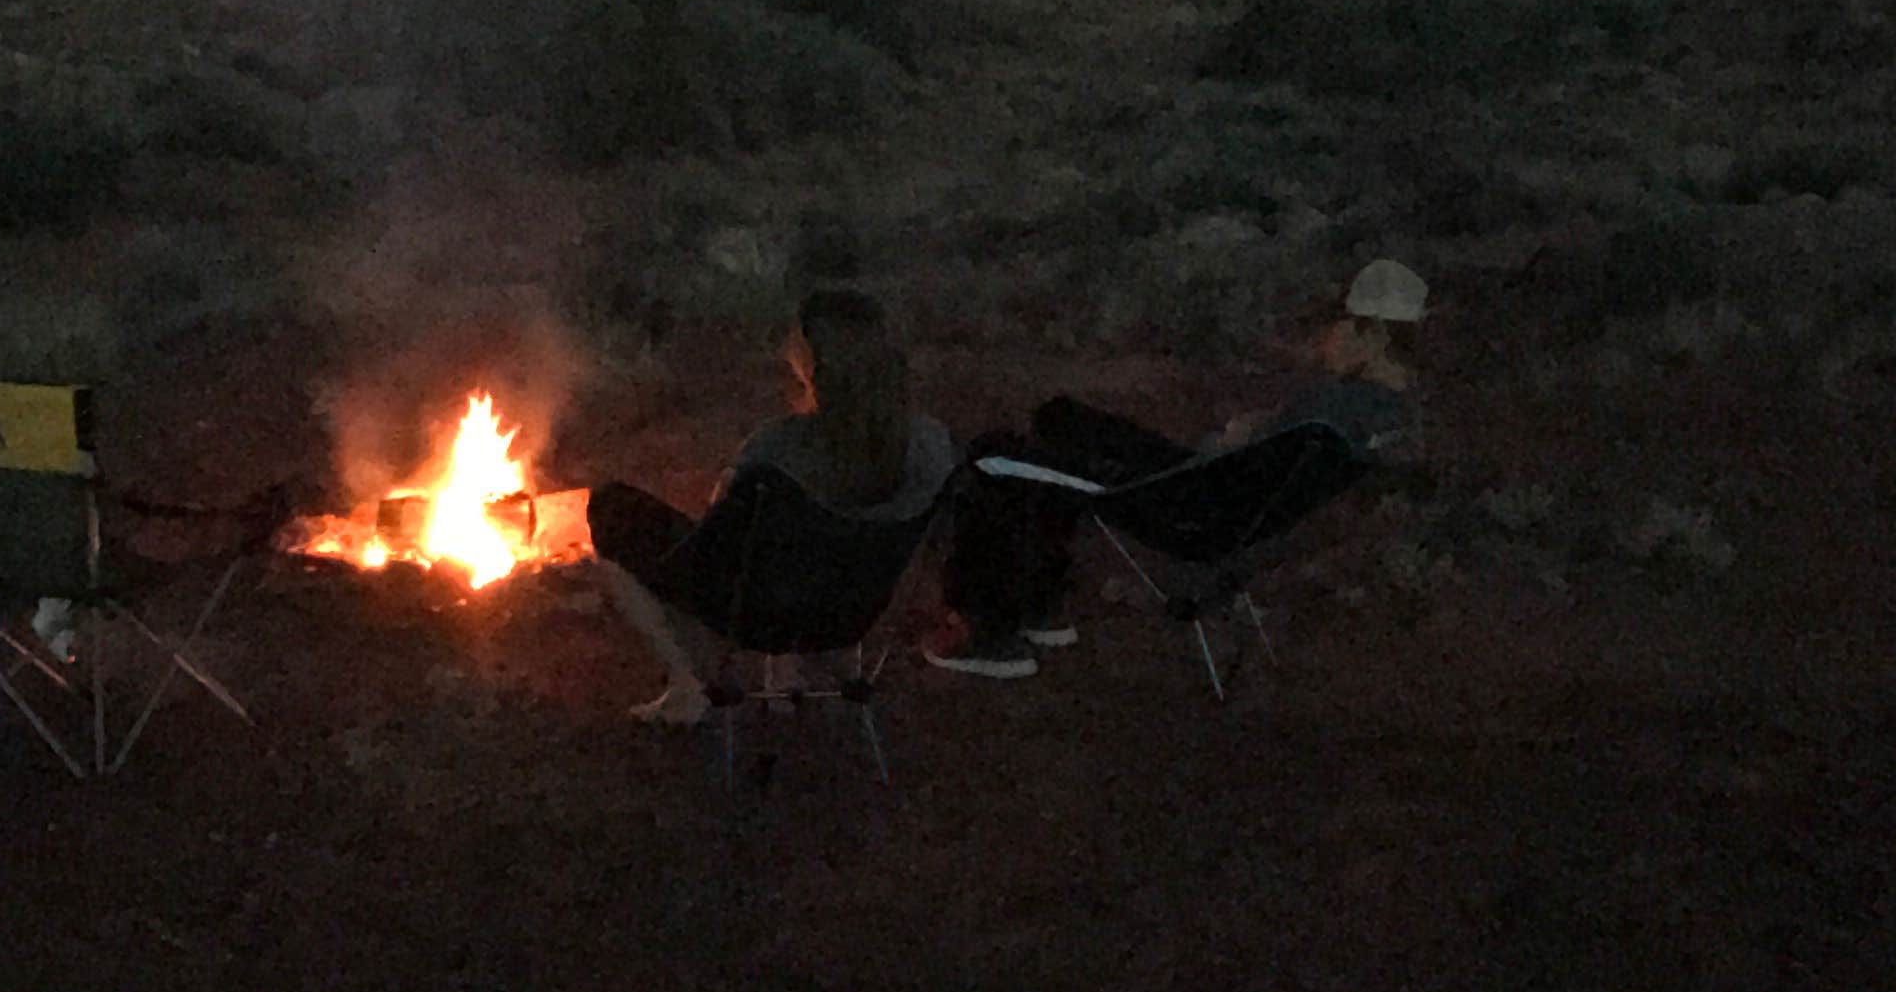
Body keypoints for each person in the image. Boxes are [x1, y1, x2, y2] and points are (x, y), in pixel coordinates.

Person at [929, 259, 1429, 674]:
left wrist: (1241, 436)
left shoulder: (1333, 403)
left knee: (995, 454)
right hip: (1211, 492)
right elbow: (1268, 462)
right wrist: (1247, 439)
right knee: (1059, 419)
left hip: (1185, 506)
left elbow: (1254, 453)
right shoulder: (1383, 414)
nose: (1324, 340)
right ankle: (1033, 600)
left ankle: (989, 629)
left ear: (1374, 336)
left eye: (1335, 326)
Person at [586, 283, 958, 725]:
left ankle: (688, 685)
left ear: (811, 365)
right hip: (850, 613)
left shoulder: (775, 449)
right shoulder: (932, 444)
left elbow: (721, 536)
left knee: (610, 508)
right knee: (806, 543)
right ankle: (788, 674)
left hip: (755, 615)